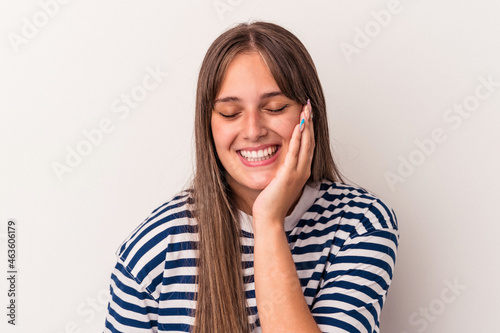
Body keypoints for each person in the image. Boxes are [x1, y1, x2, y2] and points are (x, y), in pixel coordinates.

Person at [103, 21, 399, 333]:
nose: (254, 130)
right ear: (208, 126)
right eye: (230, 113)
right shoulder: (154, 247)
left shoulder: (360, 223)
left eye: (275, 107)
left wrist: (268, 221)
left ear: (308, 114)